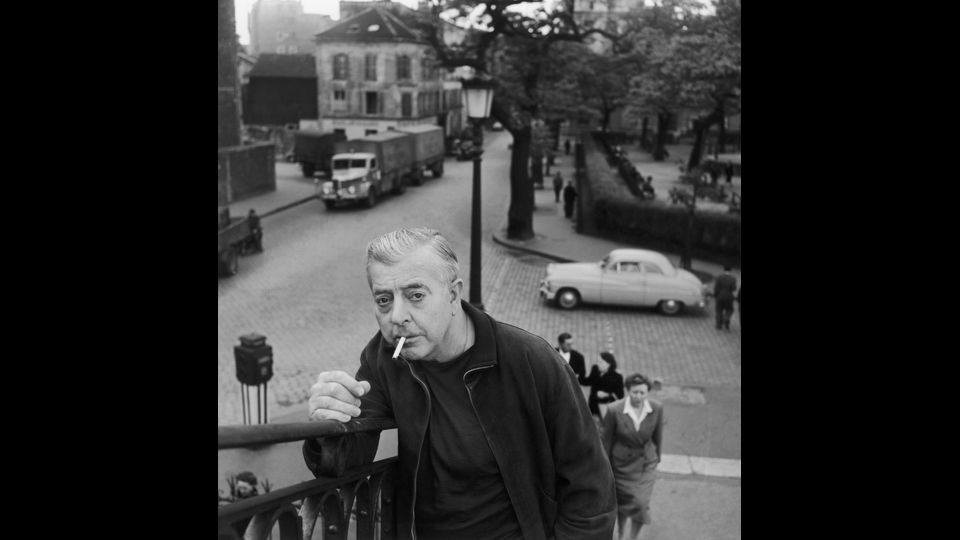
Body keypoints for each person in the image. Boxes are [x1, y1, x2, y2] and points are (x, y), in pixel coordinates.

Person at [304, 228, 617, 540]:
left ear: (453, 295)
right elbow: (348, 459)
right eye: (384, 300)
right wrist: (329, 424)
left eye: (415, 295)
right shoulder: (385, 359)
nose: (397, 316)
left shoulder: (530, 362)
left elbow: (590, 490)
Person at [602, 374, 664, 540]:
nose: (638, 397)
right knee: (623, 503)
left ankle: (633, 537)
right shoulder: (614, 409)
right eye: (635, 392)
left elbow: (658, 436)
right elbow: (606, 440)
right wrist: (605, 467)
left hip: (646, 463)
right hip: (621, 465)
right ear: (627, 391)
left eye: (642, 393)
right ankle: (621, 533)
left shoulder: (656, 408)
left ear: (647, 393)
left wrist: (657, 458)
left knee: (641, 504)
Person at [582, 352, 624, 421]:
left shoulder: (617, 377)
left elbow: (620, 395)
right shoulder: (595, 369)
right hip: (593, 407)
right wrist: (579, 376)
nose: (598, 364)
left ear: (608, 364)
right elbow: (589, 381)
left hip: (606, 410)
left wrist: (606, 395)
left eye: (601, 362)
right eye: (597, 361)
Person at [713, 265, 738, 330]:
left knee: (719, 310)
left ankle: (719, 325)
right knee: (729, 309)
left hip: (720, 296)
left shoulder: (719, 277)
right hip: (729, 297)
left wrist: (716, 296)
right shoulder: (733, 279)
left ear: (724, 270)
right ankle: (726, 319)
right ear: (730, 271)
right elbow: (734, 289)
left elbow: (716, 288)